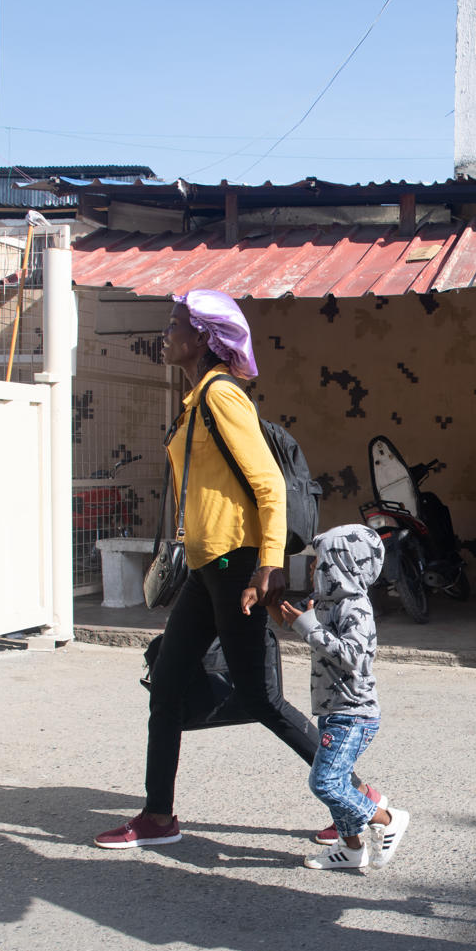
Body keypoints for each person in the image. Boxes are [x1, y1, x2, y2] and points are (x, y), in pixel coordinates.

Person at [94, 290, 313, 849]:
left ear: (203, 338)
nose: (165, 335)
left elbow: (267, 485)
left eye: (174, 326)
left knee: (260, 698)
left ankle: (363, 798)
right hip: (206, 566)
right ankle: (158, 816)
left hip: (237, 565)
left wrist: (269, 565)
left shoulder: (221, 396)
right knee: (166, 684)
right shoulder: (197, 400)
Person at [272, 524, 409, 871]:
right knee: (339, 779)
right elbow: (292, 619)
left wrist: (307, 626)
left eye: (325, 561)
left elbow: (354, 657)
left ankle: (386, 819)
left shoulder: (355, 607)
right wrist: (268, 600)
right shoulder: (327, 602)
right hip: (333, 710)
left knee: (326, 782)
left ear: (345, 564)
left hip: (354, 714)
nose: (318, 567)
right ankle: (350, 849)